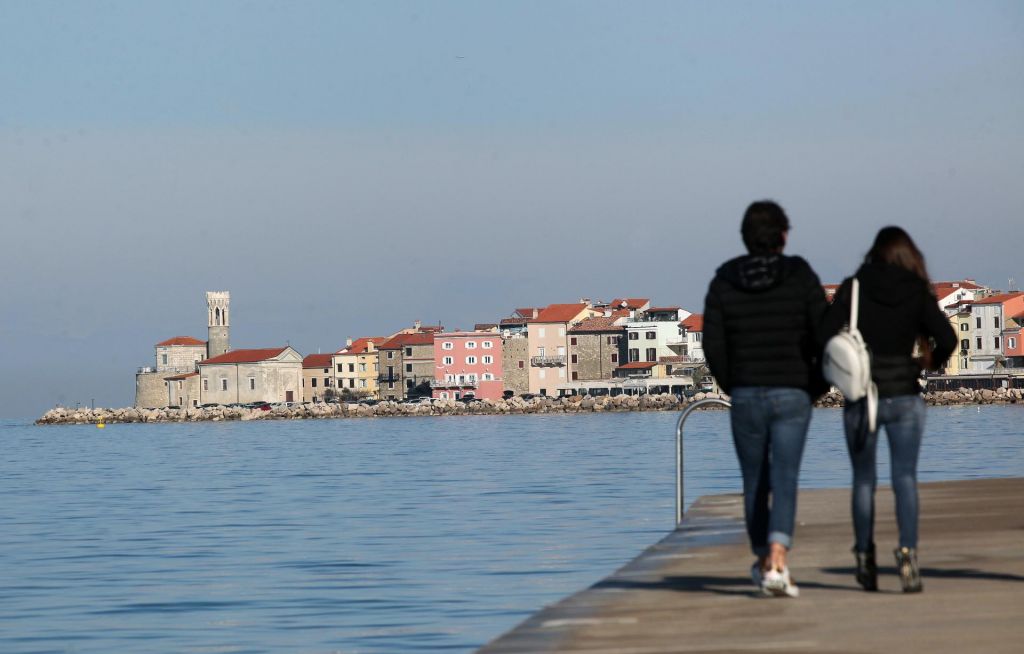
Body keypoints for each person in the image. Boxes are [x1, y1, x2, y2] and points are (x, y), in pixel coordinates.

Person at [703, 200, 828, 597]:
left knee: (755, 479)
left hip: (746, 393)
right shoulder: (802, 275)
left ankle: (762, 558)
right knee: (785, 476)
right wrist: (814, 386)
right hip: (793, 390)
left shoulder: (723, 280)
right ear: (783, 236)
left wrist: (732, 382)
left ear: (744, 237)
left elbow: (713, 344)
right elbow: (825, 336)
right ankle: (778, 555)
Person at [823, 227, 956, 593]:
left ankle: (865, 556)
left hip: (862, 396)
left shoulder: (854, 287)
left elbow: (824, 335)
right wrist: (921, 366)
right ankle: (908, 554)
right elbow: (947, 339)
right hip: (905, 396)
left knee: (864, 481)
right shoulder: (916, 290)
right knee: (905, 479)